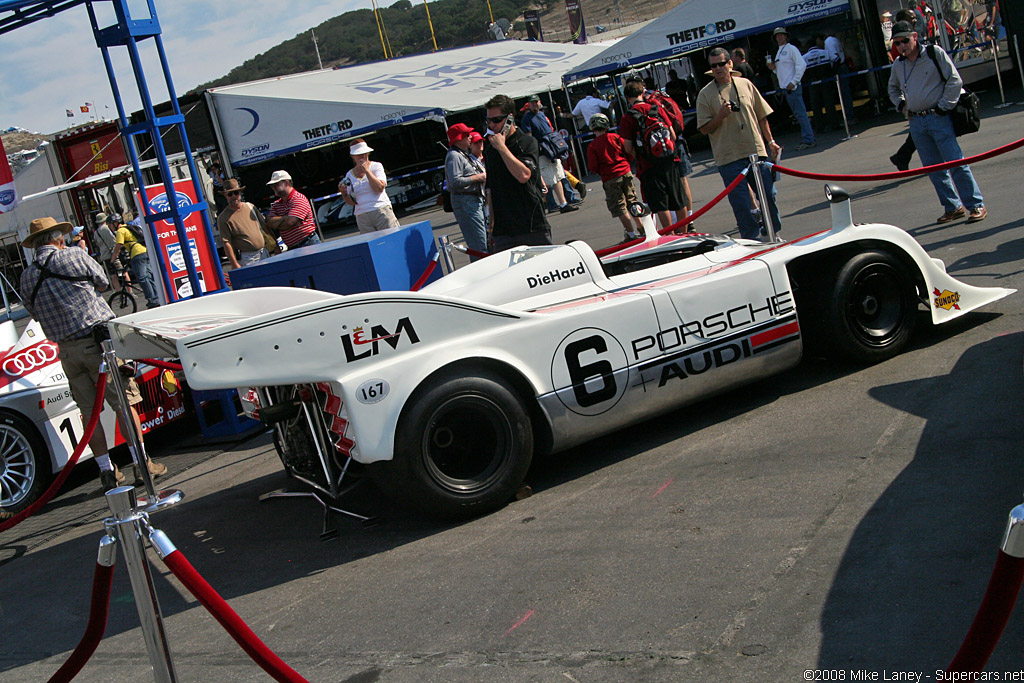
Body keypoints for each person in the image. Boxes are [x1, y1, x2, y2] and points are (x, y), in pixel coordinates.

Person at [19, 217, 167, 492]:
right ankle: (141, 463)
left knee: (88, 414)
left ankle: (106, 471)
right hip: (98, 343)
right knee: (124, 403)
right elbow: (101, 283)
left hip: (66, 349)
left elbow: (35, 314)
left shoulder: (26, 276)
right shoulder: (73, 255)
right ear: (58, 238)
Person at [887, 21, 987, 224]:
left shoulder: (934, 53)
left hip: (938, 117)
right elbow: (892, 89)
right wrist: (902, 106)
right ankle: (952, 206)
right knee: (933, 168)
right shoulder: (899, 65)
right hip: (916, 121)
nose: (902, 46)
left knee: (956, 162)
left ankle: (975, 204)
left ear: (915, 36)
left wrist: (944, 106)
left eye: (905, 40)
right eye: (897, 43)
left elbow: (954, 80)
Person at [696, 47, 783, 241]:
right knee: (741, 203)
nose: (717, 69)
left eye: (721, 64)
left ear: (730, 64)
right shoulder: (705, 94)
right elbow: (704, 128)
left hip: (755, 151)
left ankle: (772, 232)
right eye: (713, 66)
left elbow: (762, 116)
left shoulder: (745, 84)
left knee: (769, 195)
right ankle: (750, 239)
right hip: (728, 157)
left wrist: (771, 142)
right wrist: (720, 116)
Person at [483, 93, 552, 251]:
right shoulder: (490, 150)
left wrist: (502, 148)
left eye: (496, 120)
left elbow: (523, 175)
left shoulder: (527, 143)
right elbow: (491, 190)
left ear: (509, 119)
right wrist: (492, 228)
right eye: (488, 121)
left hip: (531, 225)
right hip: (504, 230)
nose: (491, 125)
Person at [618, 80, 684, 233]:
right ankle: (684, 232)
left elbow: (627, 146)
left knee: (661, 204)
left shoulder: (628, 117)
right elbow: (672, 135)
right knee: (678, 200)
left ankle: (671, 235)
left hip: (648, 165)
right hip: (669, 160)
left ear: (627, 98)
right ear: (642, 93)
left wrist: (638, 155)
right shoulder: (656, 109)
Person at [628, 75, 694, 224]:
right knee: (680, 185)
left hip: (651, 158)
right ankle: (689, 221)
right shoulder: (659, 97)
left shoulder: (639, 108)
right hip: (673, 148)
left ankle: (670, 231)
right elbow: (672, 132)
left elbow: (628, 145)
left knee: (661, 199)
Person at [586, 113, 644, 242]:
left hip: (610, 177)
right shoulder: (616, 137)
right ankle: (641, 227)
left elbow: (593, 166)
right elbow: (628, 151)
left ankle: (631, 234)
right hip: (625, 171)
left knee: (619, 206)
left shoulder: (592, 146)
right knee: (632, 200)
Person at [521, 95, 578, 214]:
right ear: (529, 104)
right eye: (532, 103)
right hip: (541, 153)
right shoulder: (527, 118)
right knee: (547, 180)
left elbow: (550, 131)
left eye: (536, 102)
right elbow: (528, 136)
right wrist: (533, 152)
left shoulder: (542, 115)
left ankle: (563, 203)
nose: (534, 104)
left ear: (539, 102)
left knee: (558, 176)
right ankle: (546, 204)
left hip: (552, 150)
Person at [767, 26, 816, 150]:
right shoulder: (779, 51)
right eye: (778, 35)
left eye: (782, 35)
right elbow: (782, 71)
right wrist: (773, 69)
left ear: (786, 36)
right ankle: (808, 138)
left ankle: (809, 140)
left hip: (792, 88)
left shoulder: (791, 49)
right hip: (787, 88)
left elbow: (802, 65)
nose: (780, 37)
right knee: (799, 114)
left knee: (801, 114)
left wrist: (794, 81)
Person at [444, 123, 488, 258]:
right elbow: (454, 181)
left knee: (480, 241)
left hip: (471, 199)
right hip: (466, 200)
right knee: (479, 243)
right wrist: (478, 177)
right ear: (458, 138)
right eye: (466, 135)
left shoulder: (461, 154)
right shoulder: (454, 156)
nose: (470, 137)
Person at [339, 139, 401, 233]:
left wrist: (367, 171)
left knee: (392, 239)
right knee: (372, 246)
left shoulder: (376, 166)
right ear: (353, 156)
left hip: (381, 210)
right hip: (362, 215)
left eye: (365, 153)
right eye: (359, 154)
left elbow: (379, 188)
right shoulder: (349, 175)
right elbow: (352, 202)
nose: (363, 156)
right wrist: (344, 193)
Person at [889, 8, 922, 171]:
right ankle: (902, 156)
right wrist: (901, 104)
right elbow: (894, 85)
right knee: (920, 130)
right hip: (913, 92)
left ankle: (902, 156)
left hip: (924, 89)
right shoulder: (900, 43)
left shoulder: (913, 36)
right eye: (911, 18)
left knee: (920, 131)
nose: (915, 20)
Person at [217, 178, 270, 269]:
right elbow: (226, 243)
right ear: (225, 196)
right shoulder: (223, 218)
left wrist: (276, 247)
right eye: (230, 194)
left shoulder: (250, 207)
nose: (234, 196)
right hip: (247, 258)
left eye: (236, 193)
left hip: (264, 252)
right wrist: (234, 263)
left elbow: (265, 227)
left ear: (240, 193)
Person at [110, 213, 160, 308]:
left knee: (142, 278)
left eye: (110, 225)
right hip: (145, 251)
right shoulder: (129, 227)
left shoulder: (121, 231)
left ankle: (152, 300)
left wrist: (112, 260)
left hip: (137, 254)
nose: (110, 227)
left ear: (115, 223)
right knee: (149, 276)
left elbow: (118, 247)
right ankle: (157, 297)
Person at [265, 170, 320, 249]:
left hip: (308, 244)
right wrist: (285, 218)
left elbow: (290, 222)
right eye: (272, 185)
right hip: (292, 248)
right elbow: (270, 223)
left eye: (276, 184)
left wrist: (279, 223)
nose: (273, 187)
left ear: (287, 183)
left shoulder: (299, 199)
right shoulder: (276, 204)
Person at [804, 36, 839, 134]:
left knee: (816, 105)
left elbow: (800, 69)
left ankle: (820, 127)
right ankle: (834, 124)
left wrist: (807, 79)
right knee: (829, 103)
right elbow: (836, 59)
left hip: (813, 83)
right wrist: (832, 72)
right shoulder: (825, 52)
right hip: (825, 80)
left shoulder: (805, 57)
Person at [825, 30, 854, 122]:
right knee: (846, 93)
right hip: (843, 67)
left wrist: (833, 72)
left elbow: (835, 57)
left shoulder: (828, 41)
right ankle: (849, 115)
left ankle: (848, 117)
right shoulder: (835, 40)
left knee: (844, 94)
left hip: (839, 69)